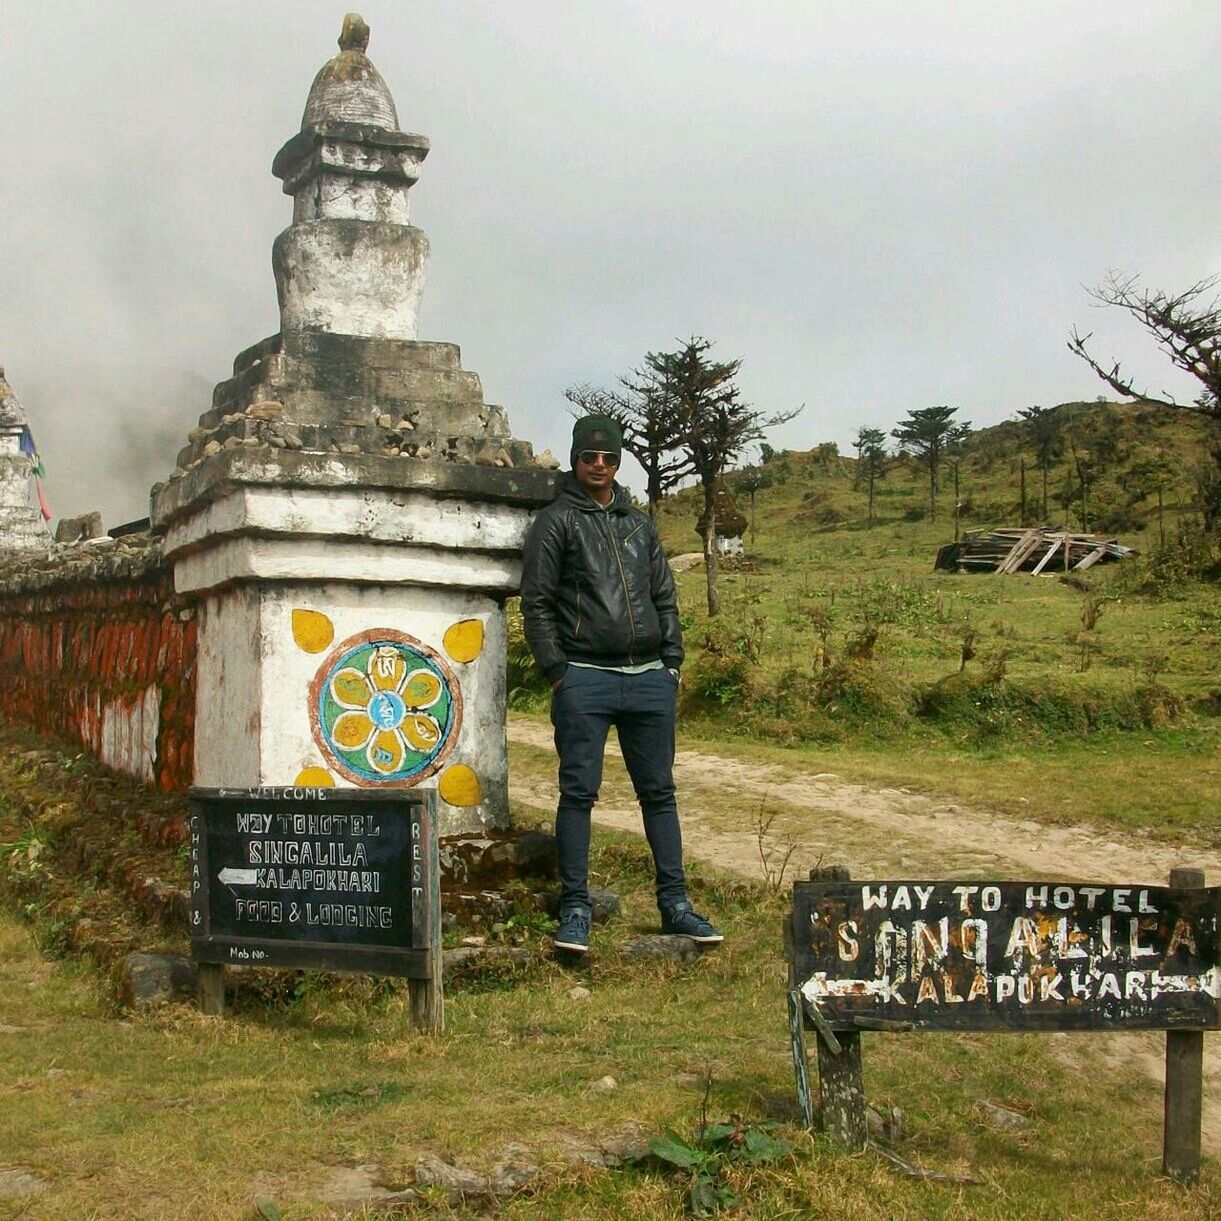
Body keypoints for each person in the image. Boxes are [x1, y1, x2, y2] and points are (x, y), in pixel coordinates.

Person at [520, 414, 723, 954]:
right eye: (590, 457)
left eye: (609, 458)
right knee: (578, 794)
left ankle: (676, 907)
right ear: (575, 460)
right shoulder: (556, 522)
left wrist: (672, 662)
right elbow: (536, 602)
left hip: (650, 679)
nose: (600, 467)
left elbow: (664, 595)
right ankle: (576, 909)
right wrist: (558, 673)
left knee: (659, 794)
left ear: (618, 461)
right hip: (584, 677)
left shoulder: (639, 524)